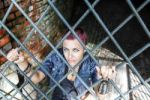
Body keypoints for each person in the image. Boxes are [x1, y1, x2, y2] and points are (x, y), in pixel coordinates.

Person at [6, 28, 114, 100]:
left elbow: (101, 96)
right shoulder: (56, 56)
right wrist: (22, 62)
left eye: (75, 50)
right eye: (66, 49)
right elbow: (36, 77)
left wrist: (104, 80)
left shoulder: (90, 62)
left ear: (84, 49)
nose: (69, 55)